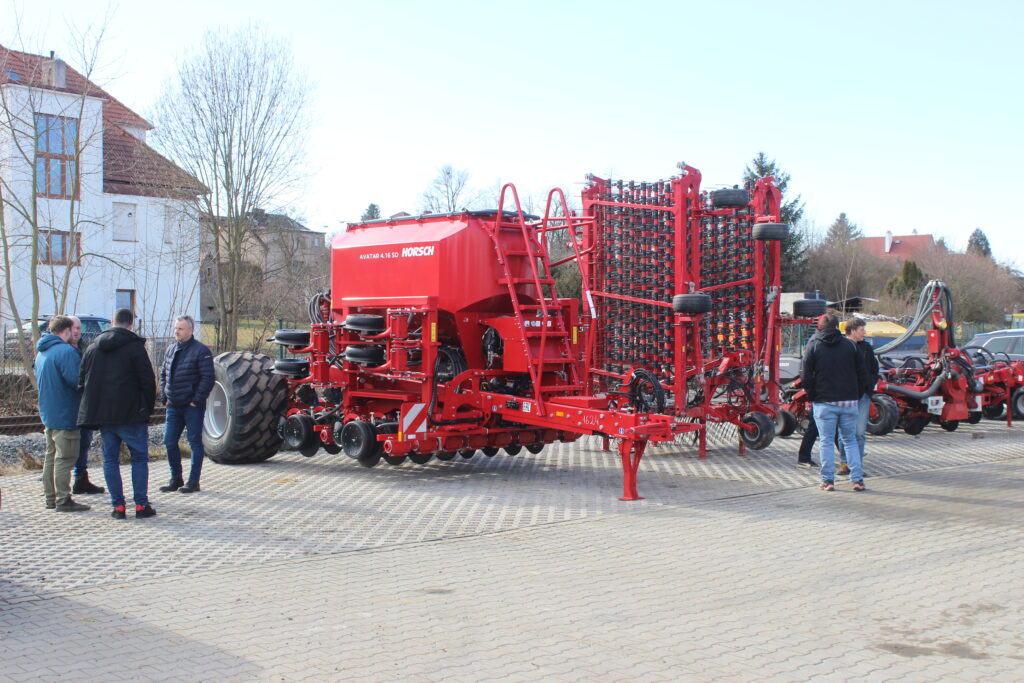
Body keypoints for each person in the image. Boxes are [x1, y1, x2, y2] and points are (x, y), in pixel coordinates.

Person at [78, 308, 157, 519]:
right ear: (131, 324)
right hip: (132, 415)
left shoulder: (93, 347)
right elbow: (148, 382)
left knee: (110, 460)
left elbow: (81, 381)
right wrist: (146, 409)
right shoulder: (135, 348)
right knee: (139, 458)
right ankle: (141, 505)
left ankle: (118, 507)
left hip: (104, 416)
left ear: (112, 322)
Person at [799, 313, 867, 492]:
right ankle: (857, 480)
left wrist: (813, 395)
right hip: (848, 402)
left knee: (826, 442)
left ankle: (827, 481)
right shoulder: (851, 346)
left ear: (819, 328)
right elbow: (862, 373)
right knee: (850, 440)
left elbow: (805, 375)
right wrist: (856, 394)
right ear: (838, 327)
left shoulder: (814, 346)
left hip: (824, 403)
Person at [35, 315, 90, 512]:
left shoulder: (42, 352)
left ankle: (50, 498)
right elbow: (77, 381)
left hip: (49, 413)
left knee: (51, 456)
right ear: (66, 331)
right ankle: (63, 499)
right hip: (66, 413)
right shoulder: (66, 352)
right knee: (65, 458)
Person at [159, 315, 214, 494]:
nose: (177, 331)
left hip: (192, 407)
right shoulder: (170, 349)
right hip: (173, 405)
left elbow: (207, 378)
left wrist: (196, 400)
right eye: (176, 328)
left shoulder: (201, 351)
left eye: (180, 329)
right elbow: (163, 373)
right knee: (169, 441)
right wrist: (164, 395)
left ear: (190, 331)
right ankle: (176, 478)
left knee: (194, 443)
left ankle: (193, 481)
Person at [67, 316, 105, 495]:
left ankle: (81, 478)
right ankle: (61, 485)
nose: (76, 332)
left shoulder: (83, 348)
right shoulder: (65, 352)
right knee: (68, 447)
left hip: (83, 405)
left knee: (84, 443)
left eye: (79, 329)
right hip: (71, 407)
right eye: (73, 328)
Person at [836, 317, 878, 476]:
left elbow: (874, 369)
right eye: (862, 330)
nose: (864, 333)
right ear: (852, 330)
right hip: (845, 396)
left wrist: (869, 386)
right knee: (844, 432)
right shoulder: (841, 347)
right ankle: (845, 463)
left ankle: (857, 465)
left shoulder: (866, 348)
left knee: (859, 431)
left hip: (862, 396)